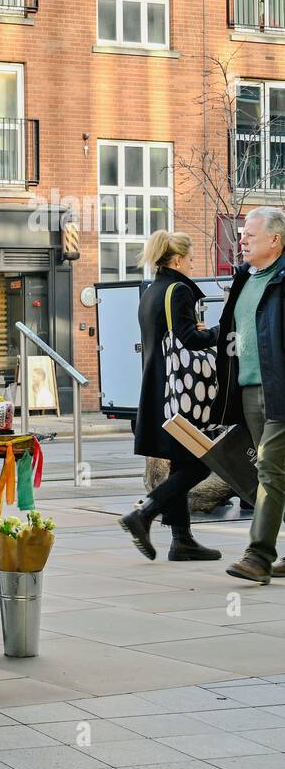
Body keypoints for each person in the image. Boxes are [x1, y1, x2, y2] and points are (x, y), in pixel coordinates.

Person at [119, 231, 222, 562]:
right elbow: (189, 339)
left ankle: (182, 541)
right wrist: (221, 331)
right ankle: (144, 513)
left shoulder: (151, 291)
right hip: (180, 392)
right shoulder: (178, 290)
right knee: (201, 463)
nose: (192, 264)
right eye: (190, 259)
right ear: (177, 260)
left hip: (159, 389)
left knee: (183, 459)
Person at [215, 207, 285, 583]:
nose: (241, 240)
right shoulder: (245, 278)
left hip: (280, 390)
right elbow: (235, 328)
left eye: (250, 236)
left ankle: (258, 556)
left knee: (270, 471)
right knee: (276, 472)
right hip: (249, 388)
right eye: (242, 234)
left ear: (274, 240)